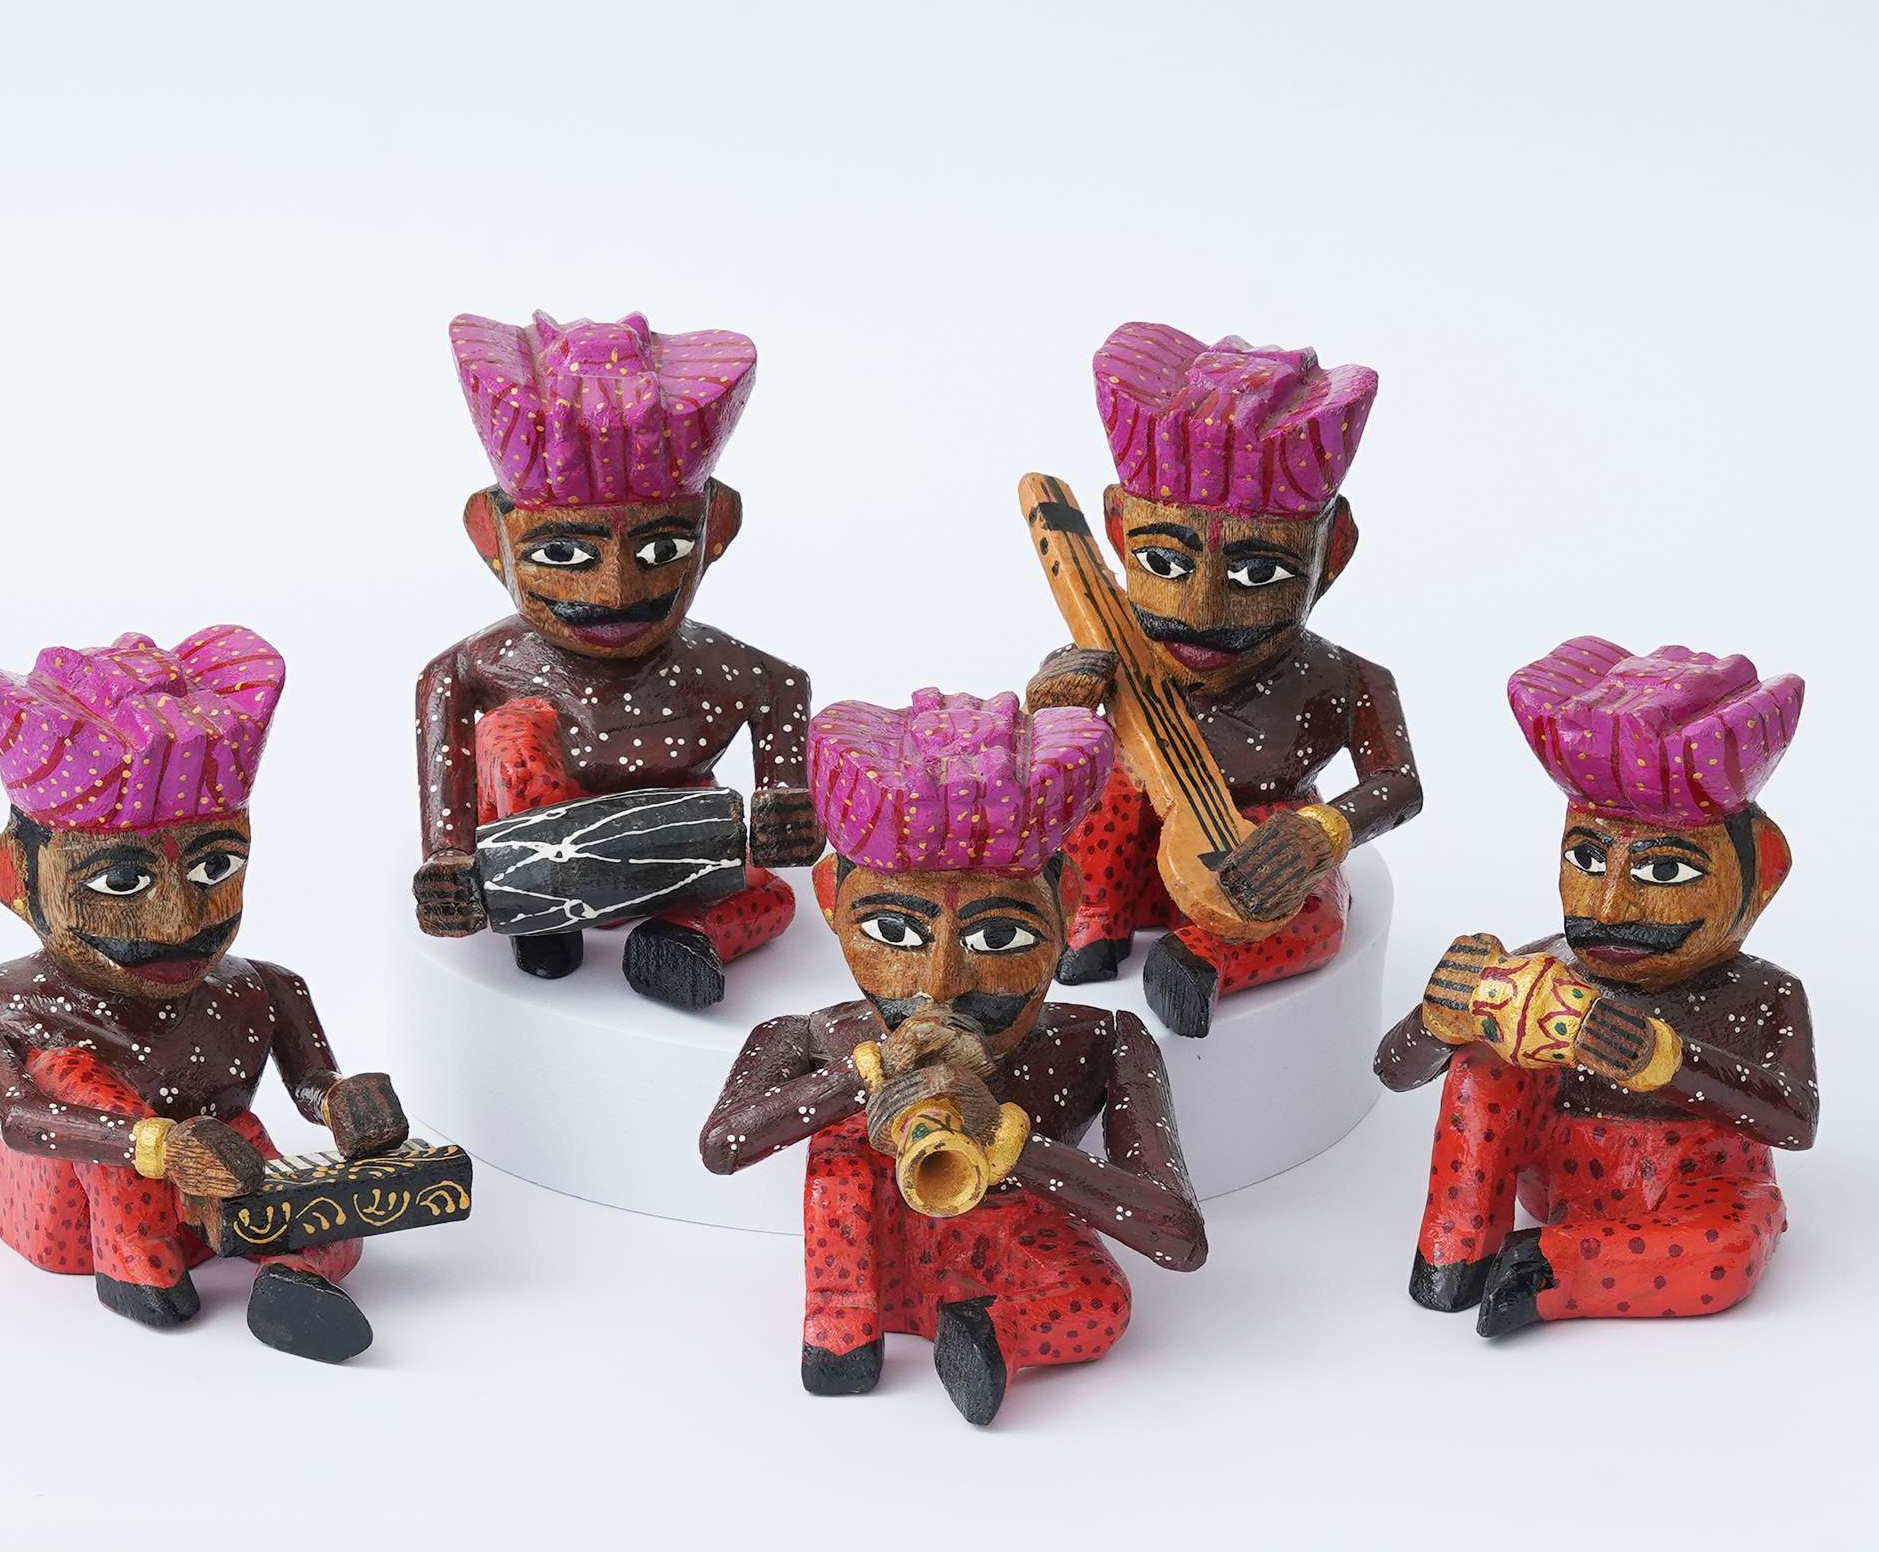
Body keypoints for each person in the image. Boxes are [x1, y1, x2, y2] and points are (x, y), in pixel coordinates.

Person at [701, 686, 1206, 1425]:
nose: (940, 984)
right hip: (867, 1250)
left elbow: (1177, 1238)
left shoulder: (1103, 1040)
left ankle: (986, 1335)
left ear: (1066, 902)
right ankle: (841, 1327)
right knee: (841, 1153)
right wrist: (865, 1077)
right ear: (832, 900)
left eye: (998, 938)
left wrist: (1010, 1146)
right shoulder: (817, 1033)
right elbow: (722, 1146)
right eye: (894, 934)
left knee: (1101, 1302)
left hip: (1011, 1246)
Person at [0, 626, 411, 1361]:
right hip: (72, 1212)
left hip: (223, 1166)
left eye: (215, 868)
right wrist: (155, 1145)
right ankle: (134, 1262)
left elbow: (310, 1083)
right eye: (119, 881)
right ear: (12, 879)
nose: (179, 922)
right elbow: (22, 1118)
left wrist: (345, 1103)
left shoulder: (264, 986)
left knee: (319, 1205)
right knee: (71, 1075)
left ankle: (293, 1276)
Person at [1375, 636, 1815, 1335]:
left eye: (1663, 872)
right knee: (1484, 1058)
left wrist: (1660, 1060)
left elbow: (1794, 1121)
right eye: (1586, 858)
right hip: (1552, 1171)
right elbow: (1393, 1071)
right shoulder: (1546, 967)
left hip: (1701, 1186)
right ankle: (1456, 1250)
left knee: (1730, 1252)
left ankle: (1559, 1267)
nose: (1607, 908)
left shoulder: (1767, 993)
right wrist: (1440, 1017)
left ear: (1761, 876)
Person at [414, 309, 823, 1008]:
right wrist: (448, 854)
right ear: (492, 538)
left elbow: (785, 686)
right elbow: (440, 691)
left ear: (715, 529)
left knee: (772, 895)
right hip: (528, 845)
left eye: (661, 549)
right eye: (563, 553)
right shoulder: (493, 661)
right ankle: (543, 911)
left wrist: (785, 796)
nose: (615, 592)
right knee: (510, 738)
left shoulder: (725, 667)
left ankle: (678, 938)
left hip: (675, 844)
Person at [1028, 324, 1420, 1035]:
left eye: (1257, 572)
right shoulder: (1116, 649)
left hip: (1259, 855)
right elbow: (1043, 756)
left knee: (1312, 911)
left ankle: (1208, 959)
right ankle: (1092, 917)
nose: (1200, 612)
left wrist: (1324, 832)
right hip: (1128, 860)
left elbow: (1399, 784)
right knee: (1112, 791)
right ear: (1117, 532)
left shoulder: (1348, 677)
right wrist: (1056, 702)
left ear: (1332, 552)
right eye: (1164, 564)